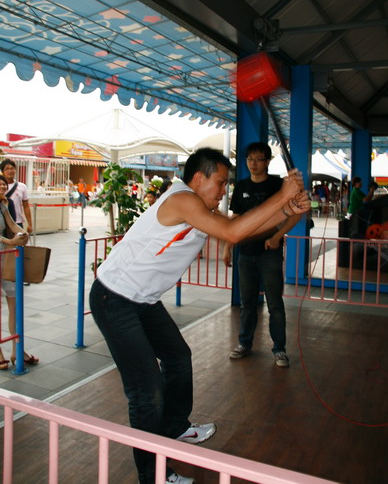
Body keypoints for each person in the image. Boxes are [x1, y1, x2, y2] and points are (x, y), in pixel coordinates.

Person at [89, 147, 309, 484]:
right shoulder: (183, 199)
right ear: (197, 178)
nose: (224, 191)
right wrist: (282, 194)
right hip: (115, 298)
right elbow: (233, 234)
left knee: (178, 358)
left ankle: (176, 428)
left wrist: (286, 210)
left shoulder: (200, 208)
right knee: (146, 392)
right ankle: (153, 476)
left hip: (142, 300)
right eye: (221, 183)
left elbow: (242, 229)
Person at [223, 142, 301, 368]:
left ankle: (279, 349)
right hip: (245, 253)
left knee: (275, 302)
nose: (253, 164)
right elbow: (235, 219)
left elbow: (295, 214)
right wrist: (228, 246)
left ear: (267, 161)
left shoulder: (278, 185)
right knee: (247, 303)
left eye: (258, 159)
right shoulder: (241, 185)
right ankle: (245, 344)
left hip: (270, 254)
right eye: (249, 159)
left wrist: (278, 237)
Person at [0, 182, 38, 369]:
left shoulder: (2, 205)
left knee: (15, 304)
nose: (1, 188)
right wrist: (10, 240)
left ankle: (17, 349)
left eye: (2, 185)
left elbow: (12, 224)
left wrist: (22, 233)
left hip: (6, 257)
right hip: (4, 251)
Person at [0, 159, 33, 234]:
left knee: (19, 244)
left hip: (17, 222)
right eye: (7, 169)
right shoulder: (2, 187)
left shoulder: (22, 186)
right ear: (3, 171)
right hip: (2, 222)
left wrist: (30, 224)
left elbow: (26, 206)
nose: (10, 171)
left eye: (12, 168)